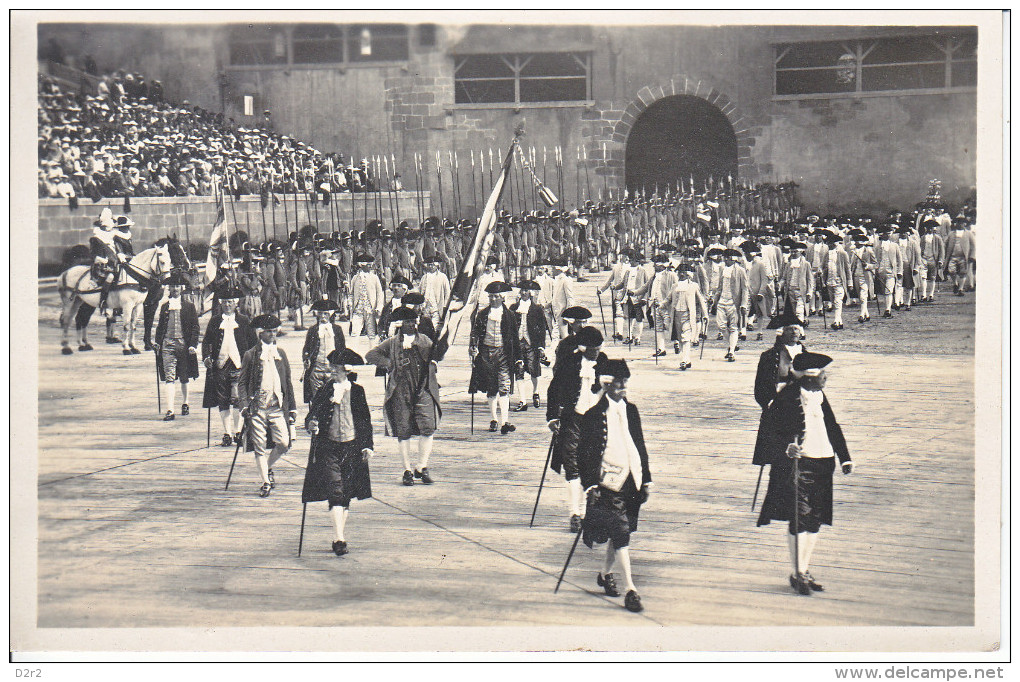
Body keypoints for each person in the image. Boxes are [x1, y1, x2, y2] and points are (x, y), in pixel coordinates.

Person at [754, 351, 852, 595]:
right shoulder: (786, 398)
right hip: (799, 466)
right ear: (810, 377)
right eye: (823, 375)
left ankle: (804, 569)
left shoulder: (819, 395)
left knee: (815, 519)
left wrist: (845, 457)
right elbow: (769, 432)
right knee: (799, 518)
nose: (826, 378)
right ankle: (798, 572)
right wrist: (785, 447)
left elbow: (832, 426)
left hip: (823, 462)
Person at [575, 358, 653, 613]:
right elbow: (584, 455)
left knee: (623, 532)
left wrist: (647, 478)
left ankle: (605, 573)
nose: (623, 389)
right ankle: (631, 589)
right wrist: (589, 485)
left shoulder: (632, 410)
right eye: (618, 384)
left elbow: (640, 446)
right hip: (609, 483)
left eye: (625, 384)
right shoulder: (593, 416)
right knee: (620, 533)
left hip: (633, 480)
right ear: (606, 385)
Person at [303, 348, 374, 557]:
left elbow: (365, 421)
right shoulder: (325, 391)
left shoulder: (358, 391)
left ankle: (339, 534)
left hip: (352, 447)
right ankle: (339, 538)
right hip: (329, 447)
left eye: (336, 368)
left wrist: (367, 445)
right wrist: (312, 424)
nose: (332, 371)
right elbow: (312, 416)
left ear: (345, 370)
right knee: (335, 491)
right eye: (331, 368)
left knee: (347, 492)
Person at [365, 307, 442, 486]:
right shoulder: (392, 343)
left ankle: (422, 466)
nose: (411, 325)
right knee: (403, 429)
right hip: (400, 390)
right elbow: (371, 355)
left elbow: (437, 355)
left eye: (413, 321)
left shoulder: (425, 340)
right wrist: (389, 364)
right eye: (407, 322)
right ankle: (407, 469)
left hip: (423, 389)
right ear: (401, 324)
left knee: (428, 426)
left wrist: (434, 360)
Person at [546, 326, 608, 531]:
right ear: (583, 348)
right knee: (572, 466)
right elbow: (554, 390)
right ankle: (575, 513)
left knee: (592, 466)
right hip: (573, 420)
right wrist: (553, 417)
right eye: (593, 349)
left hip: (596, 423)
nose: (597, 353)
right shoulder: (570, 363)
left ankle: (585, 511)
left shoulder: (605, 363)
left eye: (599, 348)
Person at [239, 314, 298, 498]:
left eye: (275, 331)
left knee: (283, 442)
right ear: (260, 333)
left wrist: (293, 407)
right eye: (269, 332)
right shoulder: (250, 355)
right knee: (259, 445)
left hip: (277, 406)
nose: (273, 335)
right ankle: (265, 481)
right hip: (257, 407)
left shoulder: (281, 354)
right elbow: (241, 383)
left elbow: (287, 382)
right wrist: (244, 405)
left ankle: (269, 466)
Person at [202, 288, 257, 447]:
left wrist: (252, 361)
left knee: (238, 398)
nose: (228, 305)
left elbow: (253, 343)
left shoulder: (244, 320)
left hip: (239, 365)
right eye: (225, 302)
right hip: (220, 365)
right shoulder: (214, 320)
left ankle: (238, 431)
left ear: (236, 303)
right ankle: (227, 433)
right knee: (223, 398)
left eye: (231, 302)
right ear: (220, 303)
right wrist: (206, 357)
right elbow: (206, 342)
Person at [468, 281, 521, 434]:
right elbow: (475, 333)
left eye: (496, 297)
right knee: (491, 386)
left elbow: (514, 338)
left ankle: (505, 421)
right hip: (486, 353)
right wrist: (473, 346)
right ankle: (493, 419)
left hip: (504, 353)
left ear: (502, 298)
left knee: (504, 386)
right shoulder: (483, 314)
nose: (493, 300)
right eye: (491, 297)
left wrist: (518, 358)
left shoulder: (510, 316)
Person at [154, 270, 200, 421]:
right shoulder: (165, 307)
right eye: (172, 286)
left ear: (181, 289)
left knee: (184, 376)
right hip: (168, 344)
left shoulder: (188, 306)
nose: (175, 289)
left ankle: (185, 402)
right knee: (169, 377)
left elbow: (195, 327)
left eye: (177, 287)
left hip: (183, 344)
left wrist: (193, 344)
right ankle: (170, 409)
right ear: (169, 288)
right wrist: (157, 342)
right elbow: (160, 326)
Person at [509, 280, 550, 411]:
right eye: (522, 290)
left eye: (526, 291)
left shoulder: (537, 309)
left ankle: (536, 392)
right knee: (518, 370)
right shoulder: (513, 308)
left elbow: (542, 328)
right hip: (517, 343)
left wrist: (541, 346)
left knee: (533, 369)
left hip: (532, 343)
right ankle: (522, 400)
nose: (524, 293)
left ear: (531, 293)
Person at [301, 299, 347, 405]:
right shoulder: (313, 330)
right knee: (317, 400)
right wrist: (306, 359)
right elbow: (306, 348)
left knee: (333, 398)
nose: (322, 317)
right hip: (317, 369)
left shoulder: (337, 329)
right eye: (320, 314)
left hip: (333, 369)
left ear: (330, 315)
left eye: (325, 314)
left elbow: (342, 348)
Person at [665, 262, 709, 371]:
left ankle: (683, 360)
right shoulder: (675, 286)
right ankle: (687, 359)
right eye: (680, 272)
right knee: (680, 340)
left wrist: (705, 314)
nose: (681, 274)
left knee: (686, 338)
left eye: (684, 272)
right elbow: (668, 299)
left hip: (688, 315)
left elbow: (701, 300)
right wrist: (660, 305)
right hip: (676, 315)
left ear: (688, 274)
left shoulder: (693, 286)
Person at [712, 248, 749, 362]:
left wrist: (743, 304)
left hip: (733, 302)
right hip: (722, 300)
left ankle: (731, 351)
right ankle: (732, 344)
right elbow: (719, 287)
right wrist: (714, 300)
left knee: (733, 327)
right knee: (721, 326)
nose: (725, 260)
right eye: (725, 258)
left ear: (733, 259)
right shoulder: (723, 269)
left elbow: (745, 288)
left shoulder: (740, 271)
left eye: (727, 258)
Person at [348, 253, 384, 350]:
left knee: (371, 333)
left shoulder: (374, 277)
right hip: (358, 310)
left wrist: (379, 307)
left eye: (370, 264)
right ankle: (353, 355)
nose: (370, 267)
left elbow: (380, 293)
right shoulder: (355, 278)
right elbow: (351, 293)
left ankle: (372, 355)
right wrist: (350, 303)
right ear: (362, 265)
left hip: (370, 310)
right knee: (355, 332)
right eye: (368, 265)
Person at [417, 255, 451, 330]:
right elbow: (420, 291)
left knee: (435, 327)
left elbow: (447, 293)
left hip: (437, 306)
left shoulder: (443, 277)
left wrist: (445, 306)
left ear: (437, 266)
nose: (431, 267)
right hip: (425, 306)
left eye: (433, 265)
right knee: (425, 327)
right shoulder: (424, 277)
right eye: (429, 265)